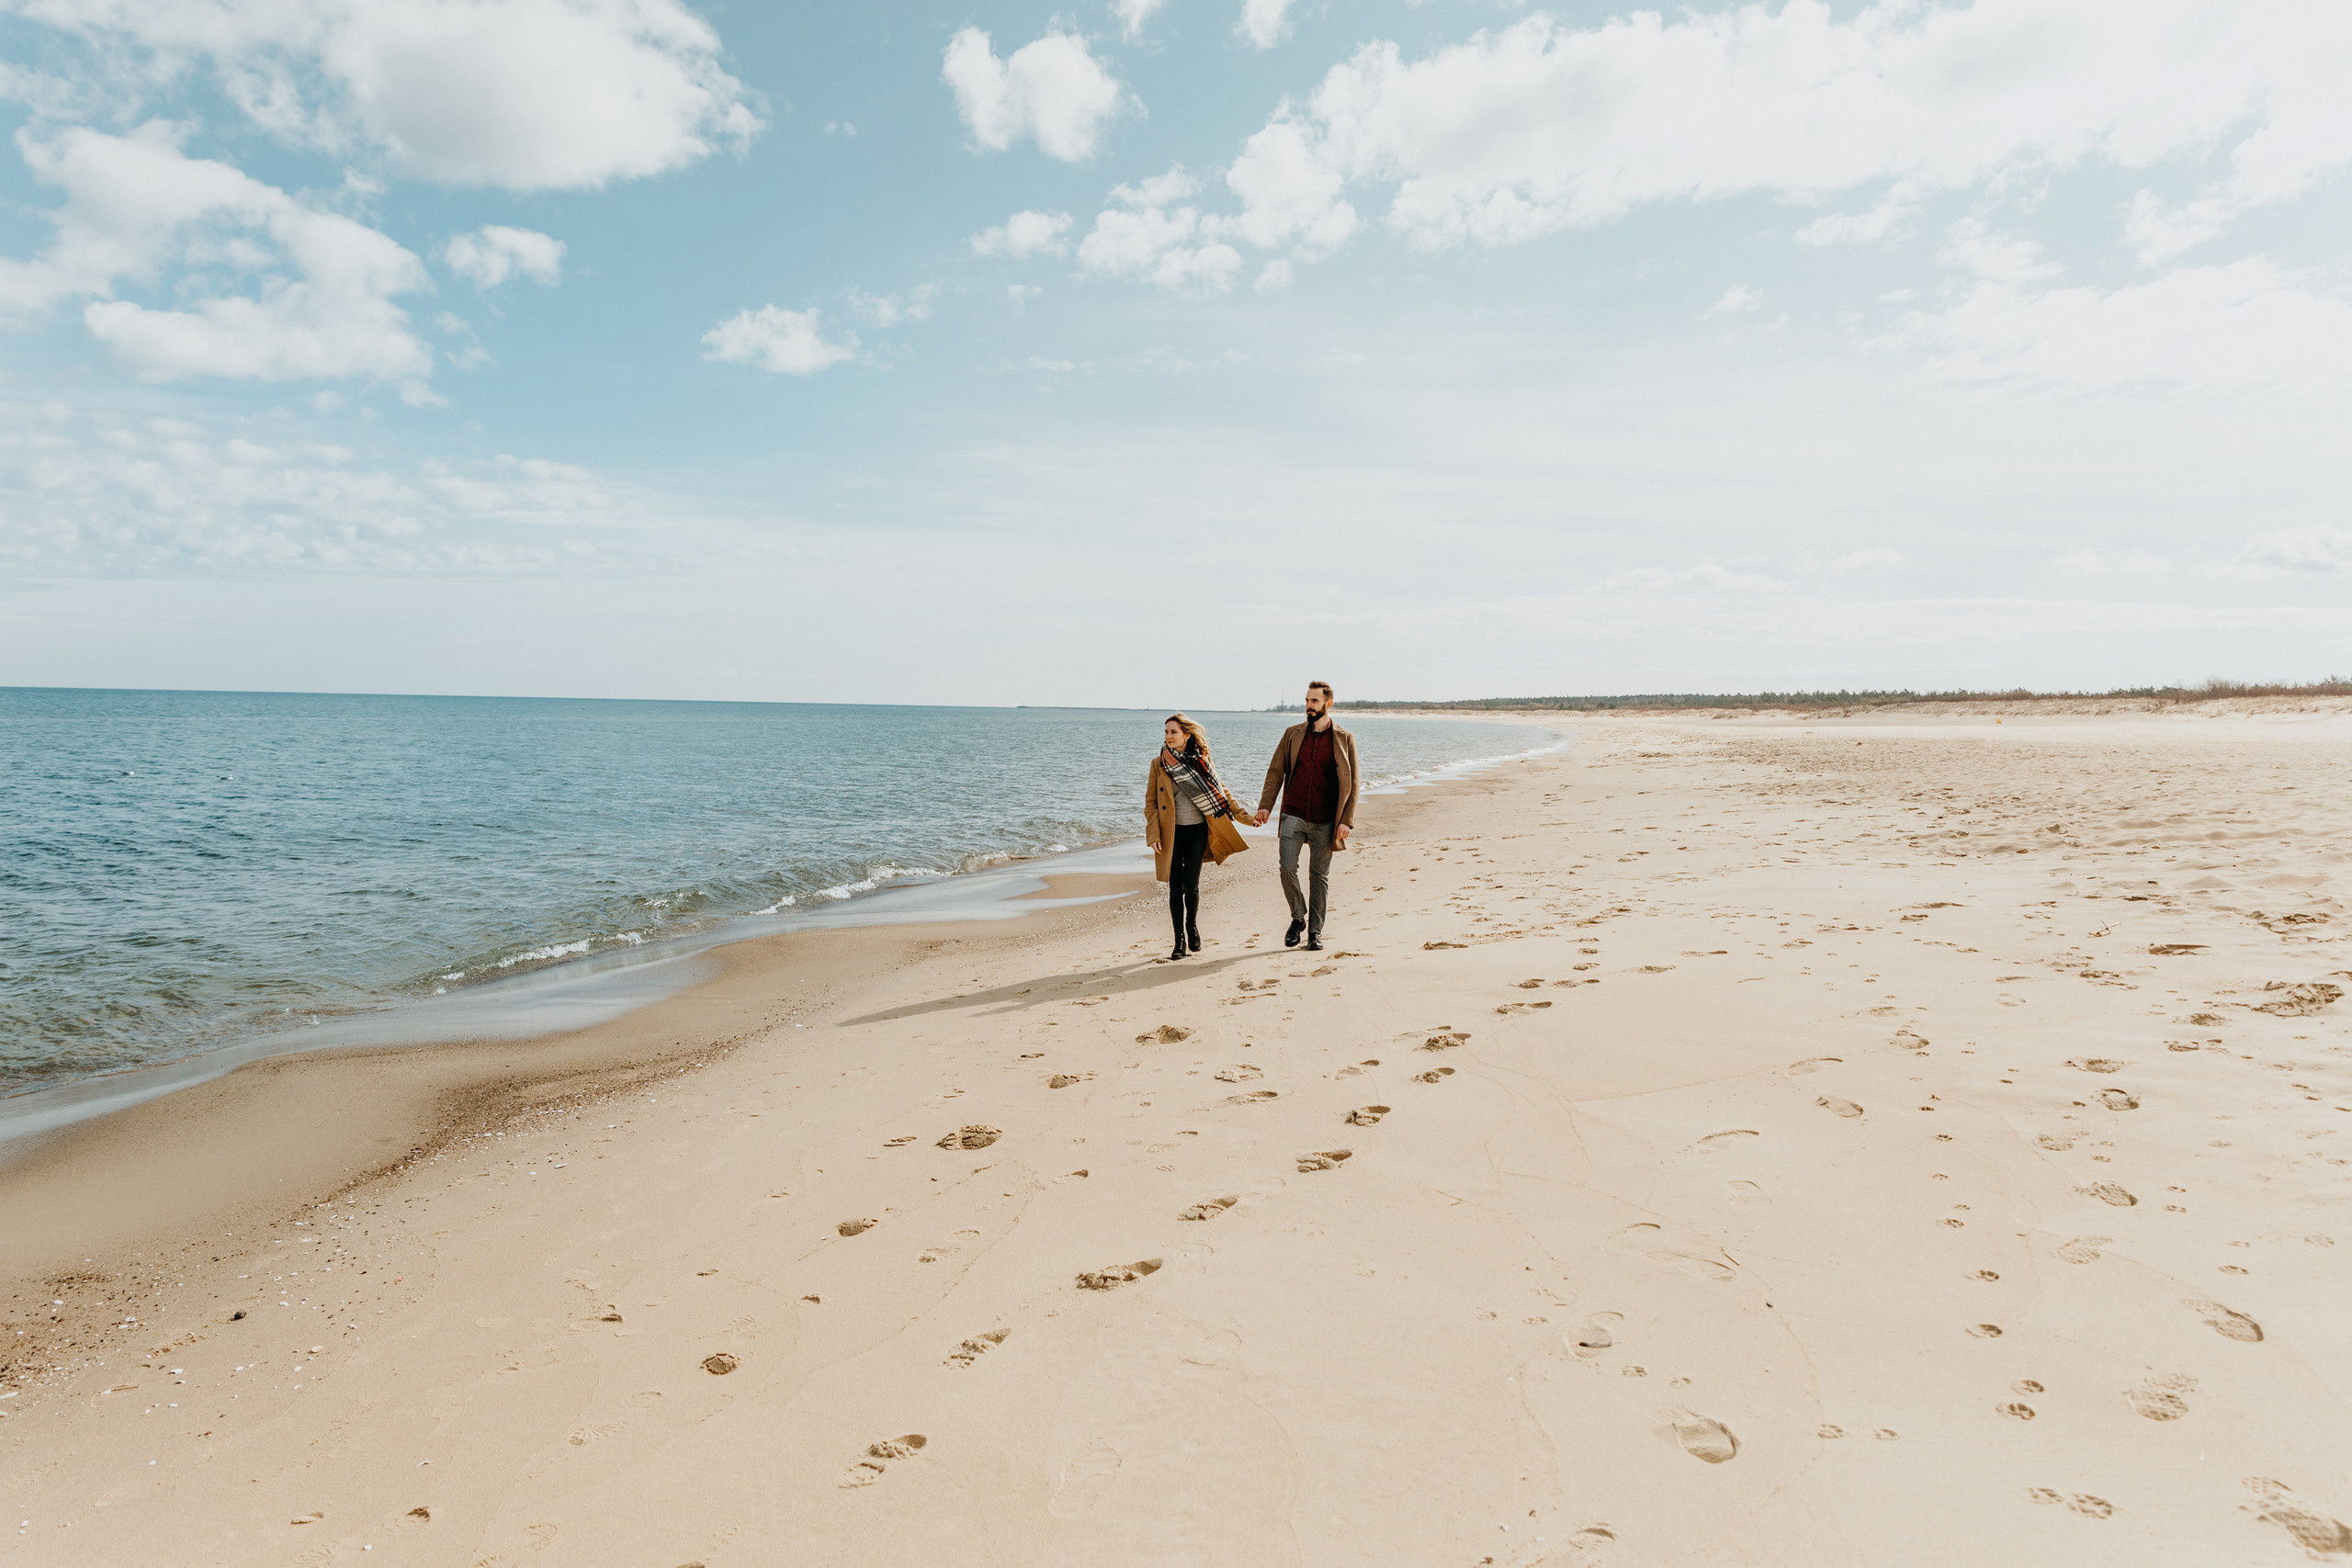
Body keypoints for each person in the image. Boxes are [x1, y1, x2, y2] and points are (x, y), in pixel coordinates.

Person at [1254, 680, 1357, 951]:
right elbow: (1276, 771)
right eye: (1307, 701)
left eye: (1314, 701)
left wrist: (1346, 820)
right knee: (1287, 867)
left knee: (1318, 876)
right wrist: (1265, 805)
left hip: (1326, 819)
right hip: (1293, 814)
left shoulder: (1344, 738)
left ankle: (1315, 932)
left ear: (1328, 704)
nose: (1309, 706)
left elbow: (1353, 782)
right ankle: (1298, 917)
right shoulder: (1292, 734)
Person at [1143, 713, 1251, 962]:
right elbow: (1151, 804)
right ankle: (1179, 941)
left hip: (1198, 831)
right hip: (1171, 834)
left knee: (1190, 885)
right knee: (1174, 888)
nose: (1169, 736)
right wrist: (1153, 834)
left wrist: (1245, 817)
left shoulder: (1201, 761)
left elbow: (1222, 792)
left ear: (1187, 735)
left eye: (1174, 732)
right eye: (1166, 732)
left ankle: (1191, 926)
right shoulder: (1159, 764)